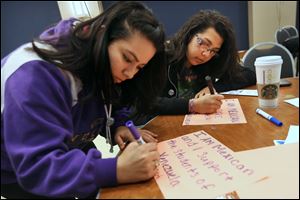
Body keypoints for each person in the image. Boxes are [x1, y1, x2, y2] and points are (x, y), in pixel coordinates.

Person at [1, 1, 166, 199]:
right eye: (127, 58)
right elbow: (38, 168)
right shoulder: (35, 76)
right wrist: (116, 169)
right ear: (102, 36)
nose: (130, 73)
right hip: (17, 171)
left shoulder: (101, 61)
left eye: (139, 67)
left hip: (72, 145)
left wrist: (118, 125)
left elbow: (111, 100)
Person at [133, 9, 256, 125]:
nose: (206, 54)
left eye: (213, 50)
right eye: (203, 43)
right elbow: (144, 102)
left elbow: (249, 75)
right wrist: (192, 105)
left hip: (195, 125)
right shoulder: (161, 56)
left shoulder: (210, 61)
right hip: (160, 127)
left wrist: (214, 87)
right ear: (190, 34)